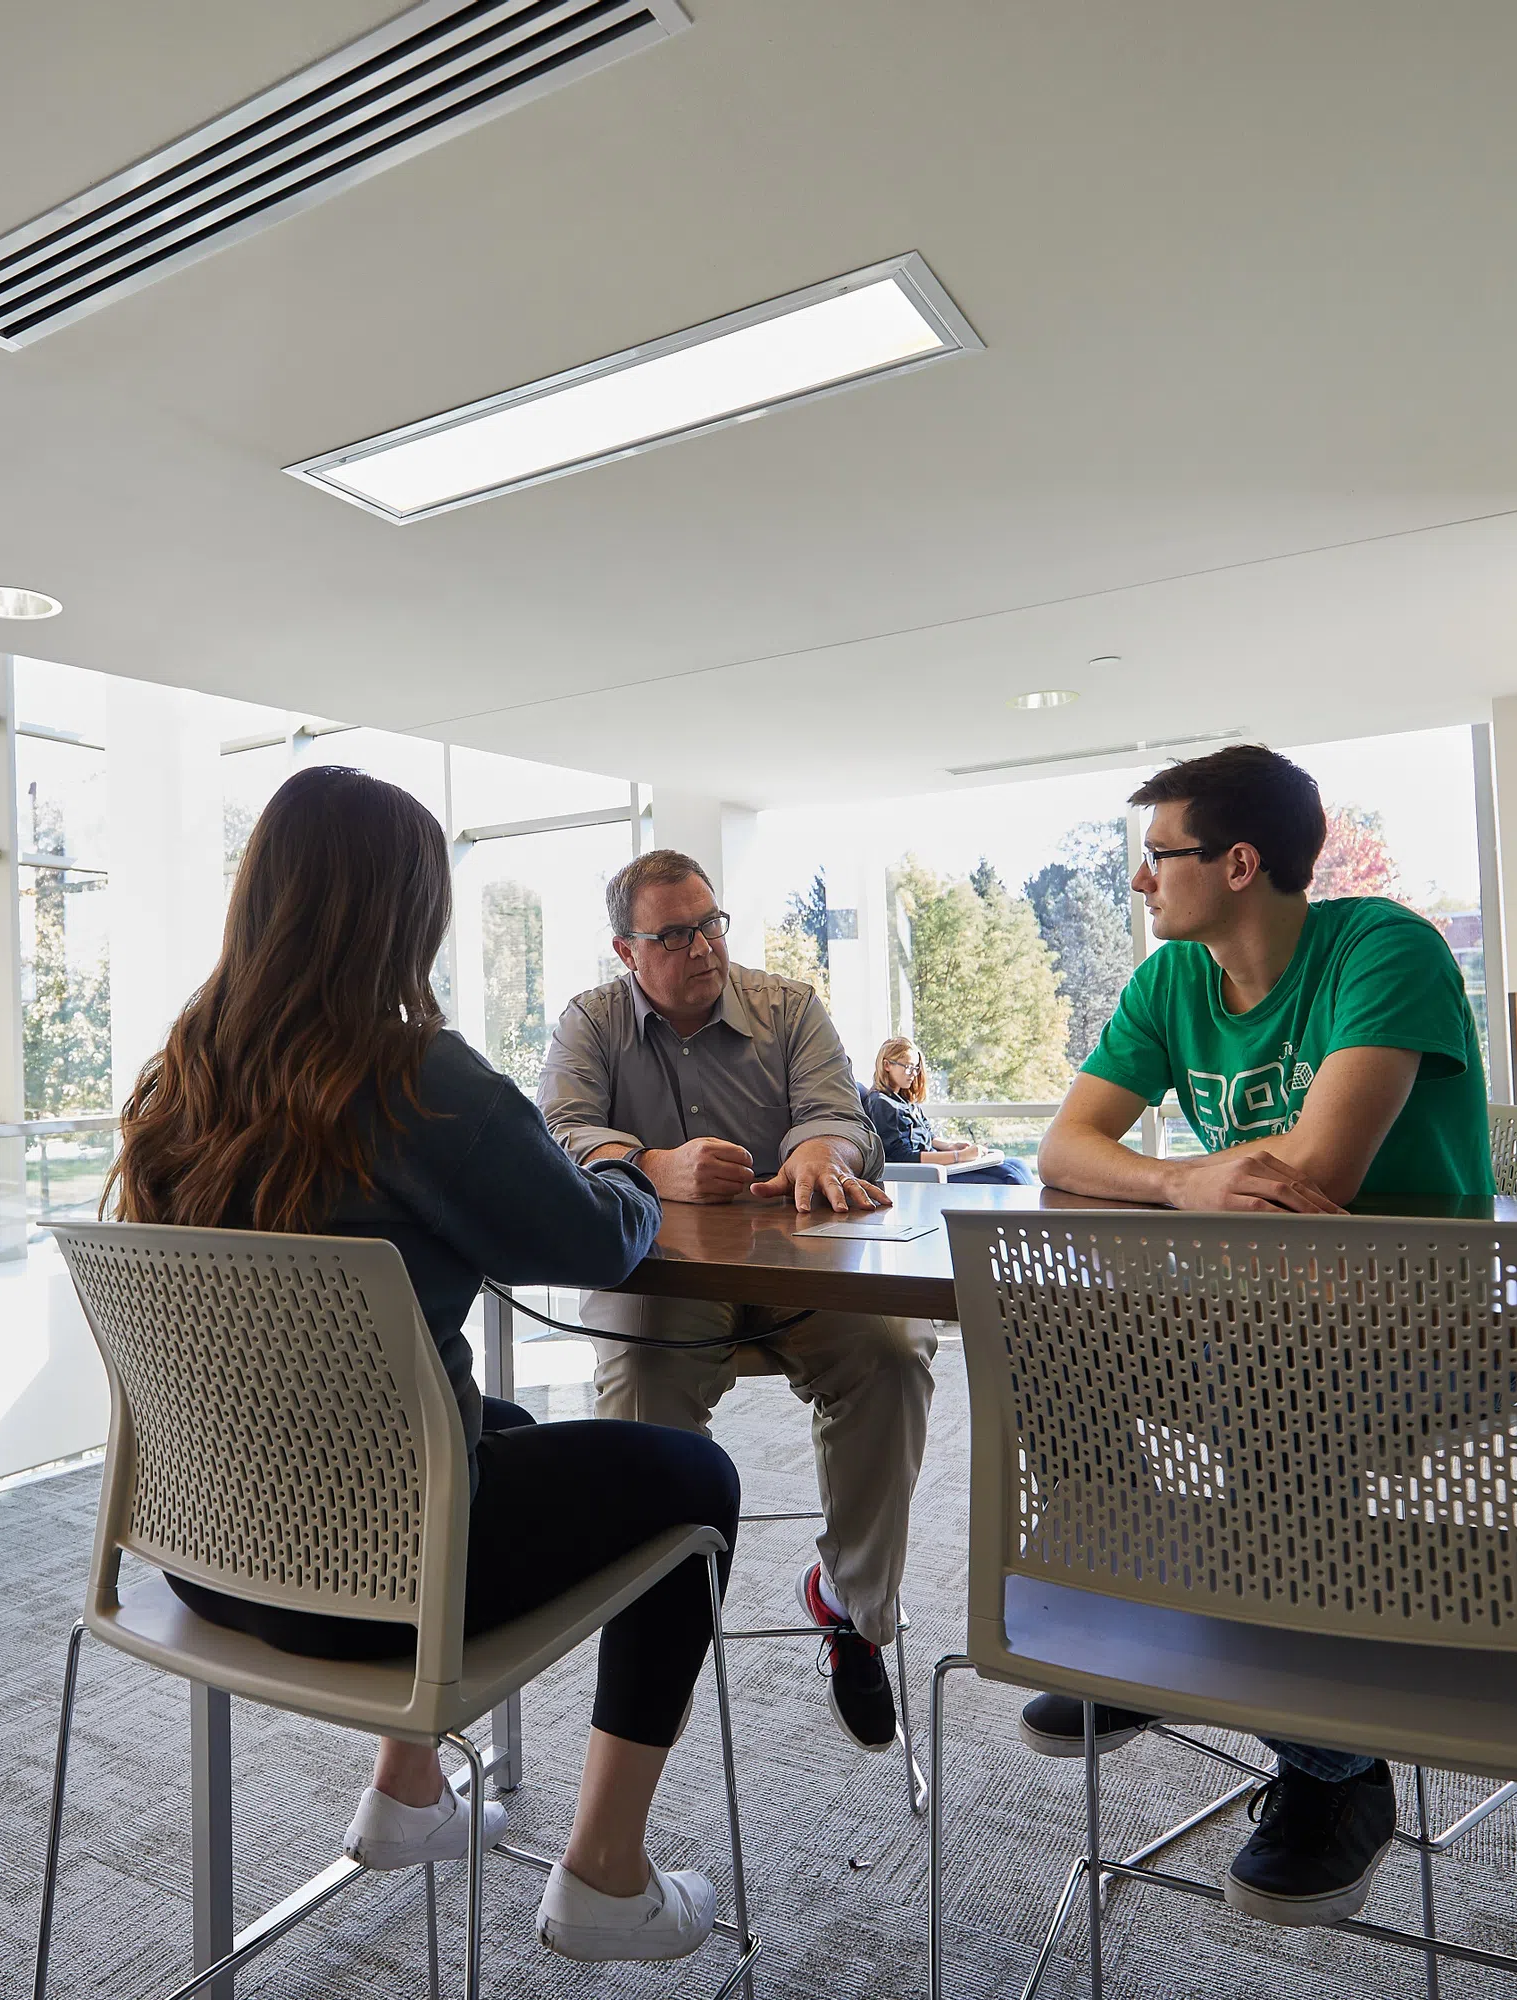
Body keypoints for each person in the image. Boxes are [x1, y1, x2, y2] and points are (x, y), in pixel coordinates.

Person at [111, 768, 743, 1966]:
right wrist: (637, 1171)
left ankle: (406, 1792)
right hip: (383, 1577)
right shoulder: (414, 1076)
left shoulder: (181, 1075)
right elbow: (592, 1236)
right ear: (404, 911)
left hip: (210, 1555)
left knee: (485, 1412)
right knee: (696, 1476)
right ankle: (606, 1874)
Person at [1027, 744, 1495, 1930]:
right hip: (1243, 1321)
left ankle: (1338, 1770)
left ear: (1239, 863)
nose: (1140, 882)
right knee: (1048, 1328)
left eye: (1158, 855)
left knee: (1265, 1377)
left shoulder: (1383, 948)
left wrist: (1187, 1184)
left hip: (1421, 1330)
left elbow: (1312, 1181)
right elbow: (1065, 1147)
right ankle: (1136, 1633)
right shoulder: (1169, 982)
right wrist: (1183, 1185)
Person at [537, 849, 934, 1753]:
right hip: (666, 1285)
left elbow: (844, 1114)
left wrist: (818, 1154)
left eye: (710, 924)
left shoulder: (789, 1005)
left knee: (894, 1352)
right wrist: (649, 1164)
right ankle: (655, 1646)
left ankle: (852, 1606)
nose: (702, 947)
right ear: (625, 950)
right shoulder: (590, 1023)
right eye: (673, 934)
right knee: (638, 1385)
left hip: (804, 1279)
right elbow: (558, 1134)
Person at [862, 1036, 1034, 1185]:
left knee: (1018, 1165)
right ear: (887, 1065)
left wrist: (951, 1146)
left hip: (937, 1164)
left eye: (915, 1068)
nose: (913, 1074)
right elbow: (903, 1157)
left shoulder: (903, 1101)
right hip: (927, 1174)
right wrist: (959, 1156)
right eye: (907, 1067)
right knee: (1011, 1176)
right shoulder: (881, 1104)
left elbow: (927, 1135)